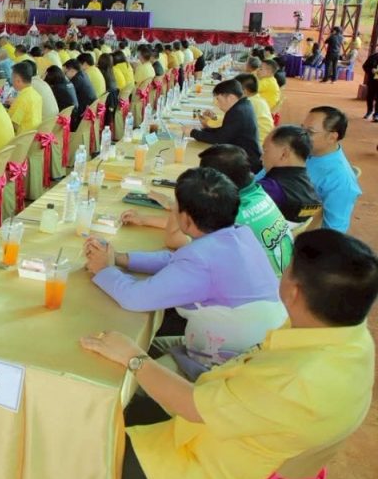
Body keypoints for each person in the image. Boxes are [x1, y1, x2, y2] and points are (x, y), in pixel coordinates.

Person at [85, 228, 377, 479]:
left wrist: (134, 357)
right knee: (110, 403)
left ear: (294, 292)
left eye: (288, 268)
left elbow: (193, 406)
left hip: (206, 469)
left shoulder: (295, 380)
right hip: (227, 433)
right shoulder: (350, 337)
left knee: (86, 433)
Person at [86, 167, 286, 380]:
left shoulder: (200, 261)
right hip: (256, 353)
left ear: (187, 220)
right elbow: (176, 260)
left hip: (226, 372)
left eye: (175, 208)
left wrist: (104, 269)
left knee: (111, 368)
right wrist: (121, 258)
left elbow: (134, 298)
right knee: (139, 344)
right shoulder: (239, 235)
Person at [198, 144, 293, 277]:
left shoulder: (231, 217)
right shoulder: (260, 194)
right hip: (285, 278)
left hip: (267, 286)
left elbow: (181, 241)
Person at [302, 106, 361, 232]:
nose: (300, 136)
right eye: (301, 129)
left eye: (310, 132)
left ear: (332, 137)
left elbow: (333, 231)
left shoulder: (341, 180)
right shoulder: (304, 150)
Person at [188, 79, 262, 172]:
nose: (217, 104)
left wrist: (192, 132)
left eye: (218, 99)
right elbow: (225, 131)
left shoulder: (237, 112)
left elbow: (219, 139)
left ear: (230, 98)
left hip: (246, 164)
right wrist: (204, 130)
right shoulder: (243, 105)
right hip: (241, 156)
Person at [257, 125, 323, 223]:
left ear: (284, 154)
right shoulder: (313, 196)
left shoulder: (268, 189)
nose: (261, 158)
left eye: (265, 151)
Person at [234, 73, 274, 148]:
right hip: (264, 140)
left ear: (244, 91)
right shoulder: (258, 99)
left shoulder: (247, 103)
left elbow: (231, 124)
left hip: (255, 144)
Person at [7, 61, 42, 132]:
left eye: (12, 78)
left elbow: (13, 124)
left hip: (21, 135)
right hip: (32, 134)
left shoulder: (22, 99)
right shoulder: (36, 95)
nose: (12, 81)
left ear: (18, 80)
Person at [62, 59, 96, 130]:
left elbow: (70, 99)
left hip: (84, 113)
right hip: (91, 107)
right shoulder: (83, 74)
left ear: (72, 70)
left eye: (65, 73)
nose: (64, 76)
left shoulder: (76, 80)